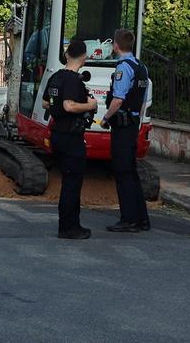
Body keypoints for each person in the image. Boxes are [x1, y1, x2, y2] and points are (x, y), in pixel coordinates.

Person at [44, 39, 97, 239]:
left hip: (57, 133)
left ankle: (68, 225)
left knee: (68, 181)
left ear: (66, 55)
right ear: (84, 58)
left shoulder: (56, 77)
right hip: (71, 136)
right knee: (72, 184)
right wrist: (90, 105)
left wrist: (57, 107)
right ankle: (69, 227)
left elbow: (46, 103)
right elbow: (69, 105)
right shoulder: (73, 80)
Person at [100, 29, 149, 233]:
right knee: (131, 171)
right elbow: (143, 100)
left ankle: (128, 219)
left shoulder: (123, 67)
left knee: (123, 172)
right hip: (133, 123)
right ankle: (141, 219)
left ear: (116, 45)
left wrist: (105, 118)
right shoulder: (141, 67)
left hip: (122, 125)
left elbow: (118, 99)